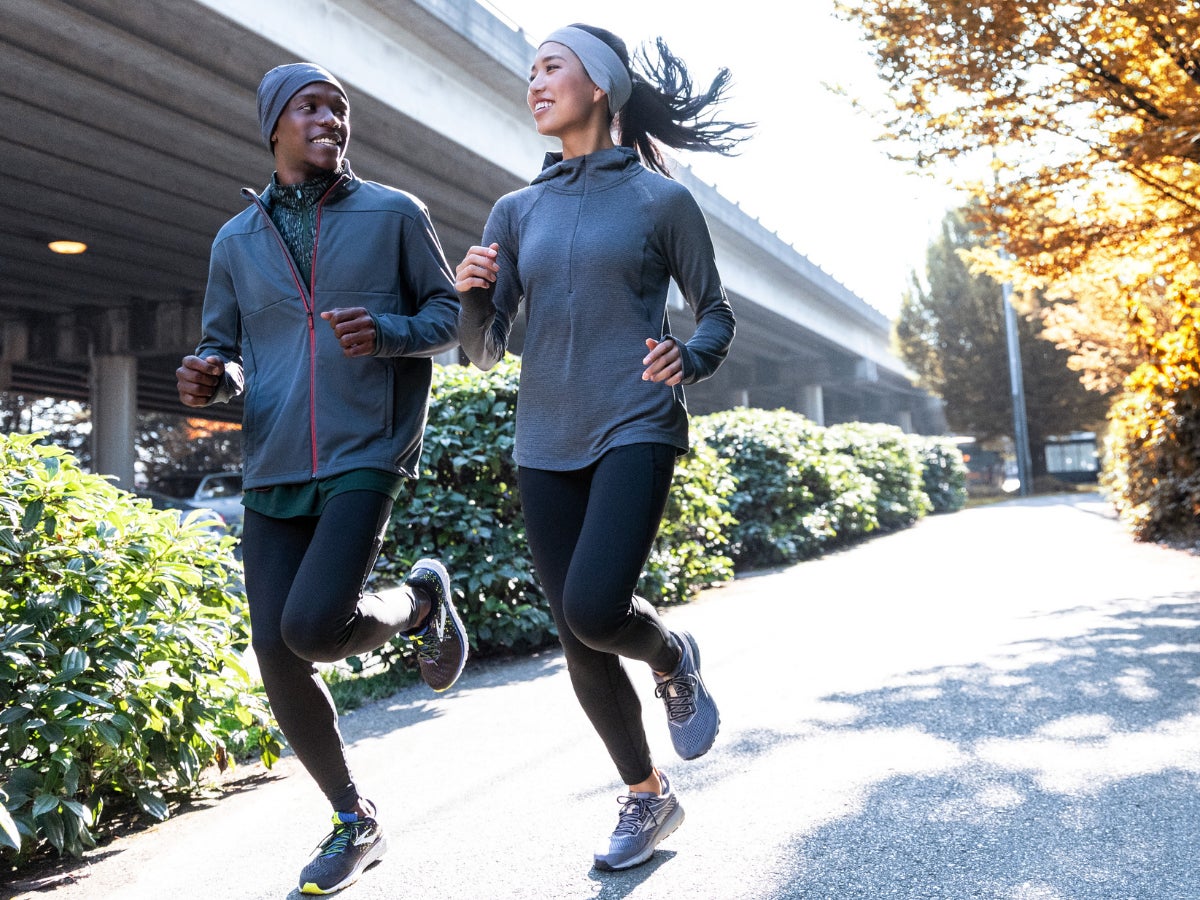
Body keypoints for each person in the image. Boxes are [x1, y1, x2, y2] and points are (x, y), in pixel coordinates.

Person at [454, 24, 749, 872]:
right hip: (544, 437)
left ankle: (670, 655)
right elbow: (484, 349)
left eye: (551, 67)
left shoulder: (661, 201)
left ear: (601, 86)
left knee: (594, 607)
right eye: (532, 72)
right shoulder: (516, 210)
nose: (535, 83)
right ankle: (647, 798)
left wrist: (689, 357)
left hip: (636, 420)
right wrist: (473, 298)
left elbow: (717, 309)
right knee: (578, 636)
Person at [176, 62, 467, 896]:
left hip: (365, 445)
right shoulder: (235, 240)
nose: (331, 120)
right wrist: (212, 378)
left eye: (340, 110)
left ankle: (417, 602)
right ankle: (353, 819)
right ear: (275, 124)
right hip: (273, 457)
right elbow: (227, 348)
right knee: (276, 650)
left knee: (311, 626)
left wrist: (382, 332)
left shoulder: (395, 213)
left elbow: (445, 317)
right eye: (312, 108)